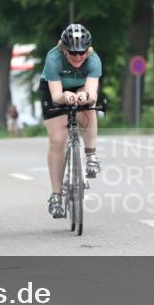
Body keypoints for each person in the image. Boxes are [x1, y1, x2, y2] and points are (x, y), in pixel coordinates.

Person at [39, 23, 102, 218]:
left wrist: (86, 96)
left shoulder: (93, 60)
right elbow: (56, 95)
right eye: (73, 52)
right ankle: (56, 197)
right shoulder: (53, 58)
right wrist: (64, 96)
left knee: (89, 108)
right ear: (64, 49)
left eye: (82, 52)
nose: (78, 56)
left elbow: (92, 92)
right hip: (55, 91)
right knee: (58, 140)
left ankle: (91, 157)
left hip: (80, 87)